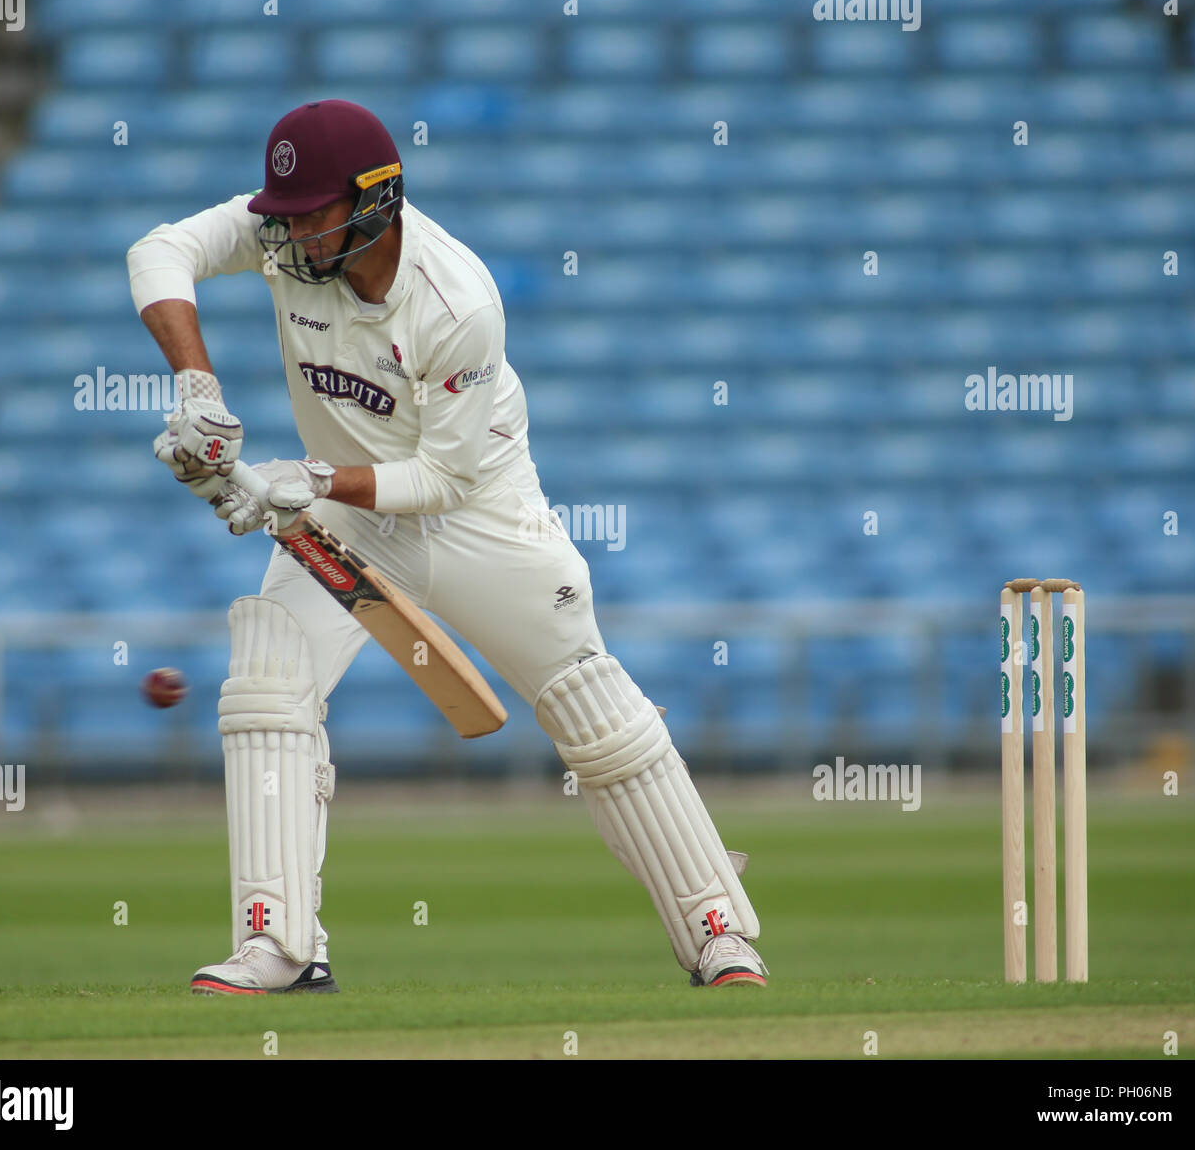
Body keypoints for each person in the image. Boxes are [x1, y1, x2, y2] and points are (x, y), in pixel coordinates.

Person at [127, 99, 767, 994]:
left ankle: (718, 931)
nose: (291, 234)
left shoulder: (458, 299)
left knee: (591, 704)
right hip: (346, 512)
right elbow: (158, 250)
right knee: (268, 672)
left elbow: (441, 481)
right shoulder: (286, 235)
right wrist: (196, 386)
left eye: (313, 213)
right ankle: (277, 942)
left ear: (376, 202)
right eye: (284, 213)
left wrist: (306, 481)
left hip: (479, 514)